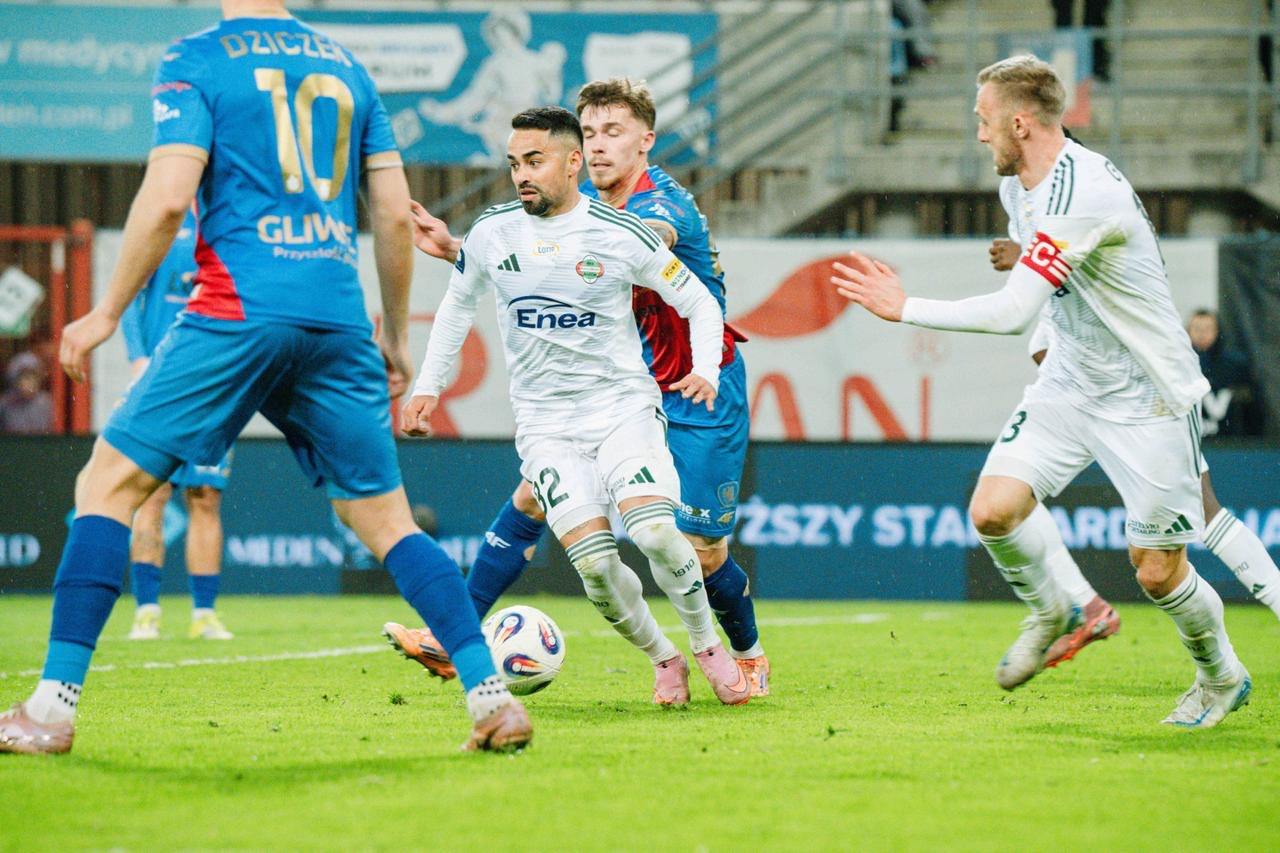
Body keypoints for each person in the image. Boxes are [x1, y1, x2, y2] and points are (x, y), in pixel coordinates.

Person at [0, 0, 530, 756]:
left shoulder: (197, 58)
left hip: (235, 310)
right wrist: (393, 333)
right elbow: (390, 214)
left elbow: (169, 198)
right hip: (336, 319)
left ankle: (51, 709)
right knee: (389, 523)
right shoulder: (348, 68)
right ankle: (489, 696)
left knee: (105, 487)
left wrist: (106, 312)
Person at [833, 54, 1250, 727]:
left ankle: (1220, 674)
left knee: (1155, 570)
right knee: (993, 511)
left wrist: (904, 306)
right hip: (1070, 383)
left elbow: (1012, 311)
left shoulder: (1082, 192)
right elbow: (1049, 283)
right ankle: (1052, 609)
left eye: (984, 120)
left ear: (1020, 123)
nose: (979, 134)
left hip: (1145, 394)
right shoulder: (1018, 188)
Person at [386, 79, 770, 697]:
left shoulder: (659, 207)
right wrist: (464, 252)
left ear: (646, 141)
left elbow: (635, 247)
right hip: (613, 385)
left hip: (699, 383)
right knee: (536, 499)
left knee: (699, 551)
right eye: (588, 133)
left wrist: (483, 249)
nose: (597, 146)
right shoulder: (573, 200)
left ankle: (746, 652)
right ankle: (453, 635)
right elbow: (542, 253)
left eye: (613, 132)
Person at [989, 245, 1280, 628]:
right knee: (1157, 564)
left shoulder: (1105, 247)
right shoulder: (1062, 295)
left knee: (1200, 517)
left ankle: (1076, 608)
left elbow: (1087, 278)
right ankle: (1080, 607)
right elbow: (1040, 349)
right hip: (1117, 413)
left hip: (1153, 406)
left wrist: (1030, 259)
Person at [118, 207, 234, 641]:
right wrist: (137, 357)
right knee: (153, 495)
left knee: (206, 498)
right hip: (160, 383)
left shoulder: (231, 221)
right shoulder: (165, 220)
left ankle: (204, 614)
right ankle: (146, 612)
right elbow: (129, 295)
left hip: (214, 387)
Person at [1186, 309, 1257, 438]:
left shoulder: (1235, 365)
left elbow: (1249, 403)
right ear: (1188, 331)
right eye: (1197, 329)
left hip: (1229, 440)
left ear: (1217, 331)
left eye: (1207, 329)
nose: (1202, 334)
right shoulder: (1180, 364)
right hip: (1191, 437)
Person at [0, 351, 53, 434]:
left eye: (34, 377)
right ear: (14, 379)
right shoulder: (5, 403)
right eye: (25, 377)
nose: (30, 382)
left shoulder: (45, 403)